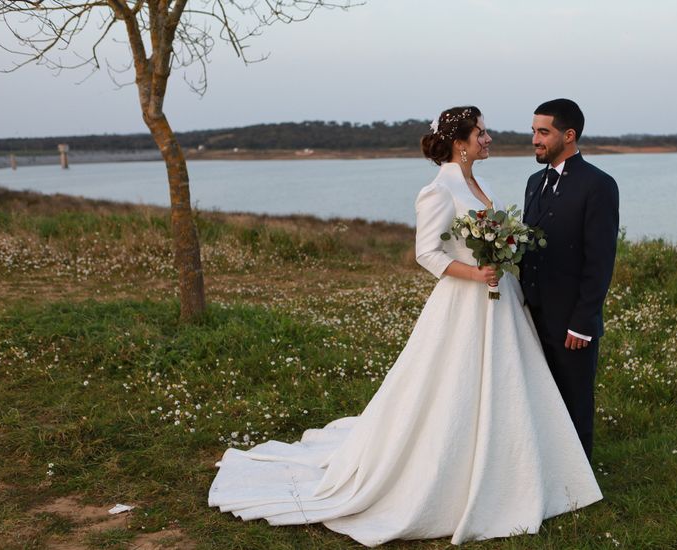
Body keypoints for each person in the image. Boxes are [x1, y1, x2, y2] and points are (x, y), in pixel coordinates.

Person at [208, 106, 602, 546]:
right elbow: (426, 253)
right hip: (467, 300)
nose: (489, 139)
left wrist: (503, 260)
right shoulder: (437, 190)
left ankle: (520, 463)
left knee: (508, 383)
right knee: (453, 386)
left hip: (501, 301)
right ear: (461, 143)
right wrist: (478, 274)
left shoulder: (481, 183)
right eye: (482, 133)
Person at [520, 99, 620, 460]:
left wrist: (583, 322)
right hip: (531, 314)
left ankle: (579, 483)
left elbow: (600, 260)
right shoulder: (534, 183)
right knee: (541, 398)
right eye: (534, 131)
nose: (535, 139)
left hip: (571, 322)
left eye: (543, 132)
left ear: (569, 135)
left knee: (574, 401)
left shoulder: (599, 185)